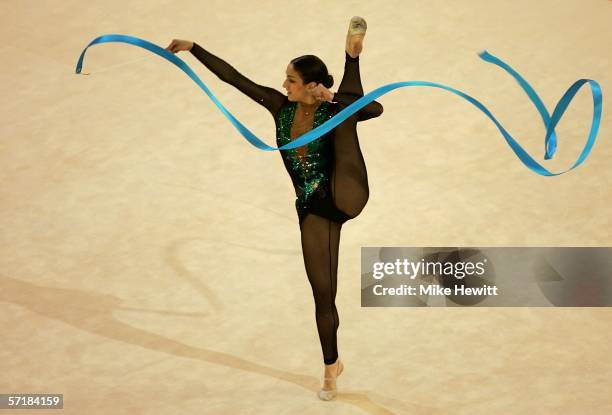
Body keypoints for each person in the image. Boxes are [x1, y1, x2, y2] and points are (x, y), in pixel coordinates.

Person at [165, 16, 383, 401]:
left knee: (347, 120)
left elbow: (375, 109)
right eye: (286, 79)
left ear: (310, 86)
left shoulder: (330, 108)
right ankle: (332, 365)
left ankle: (352, 59)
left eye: (291, 80)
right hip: (313, 207)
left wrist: (332, 99)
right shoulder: (279, 107)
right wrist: (194, 48)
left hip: (345, 189)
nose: (284, 84)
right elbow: (235, 79)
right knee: (322, 294)